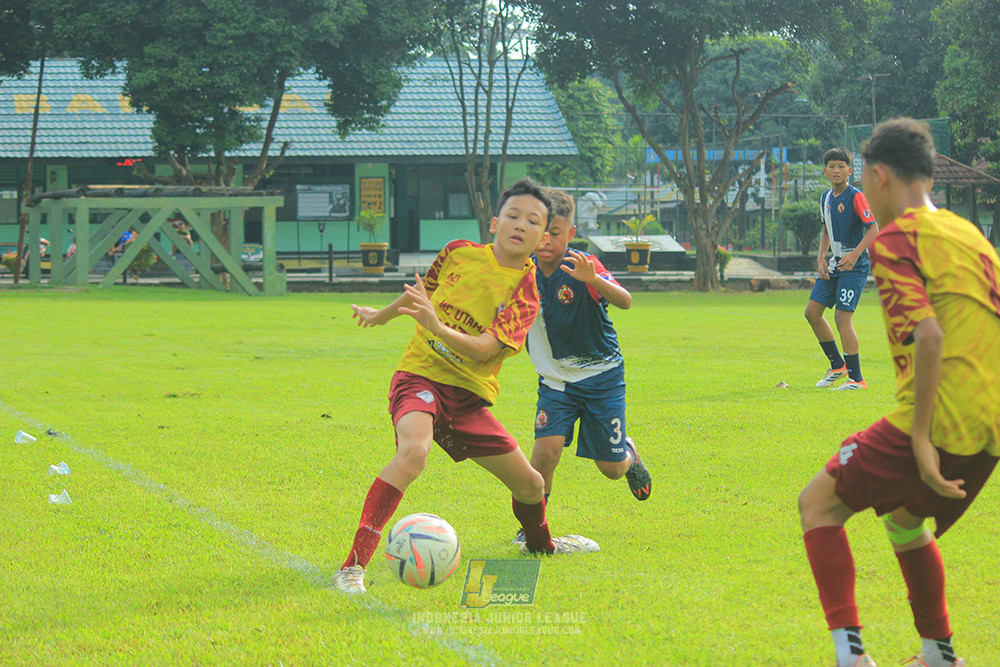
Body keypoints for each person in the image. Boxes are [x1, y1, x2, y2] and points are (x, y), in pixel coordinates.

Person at [332, 178, 599, 595]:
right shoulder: (457, 252)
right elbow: (422, 296)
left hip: (467, 399)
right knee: (414, 451)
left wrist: (436, 325)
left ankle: (542, 546)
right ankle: (351, 568)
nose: (519, 225)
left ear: (544, 236)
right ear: (494, 222)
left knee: (530, 485)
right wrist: (382, 315)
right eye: (512, 215)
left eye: (532, 221)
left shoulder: (528, 293)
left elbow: (483, 350)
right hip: (420, 376)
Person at [798, 118, 999, 667]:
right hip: (991, 424)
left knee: (817, 505)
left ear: (880, 177)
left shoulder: (897, 238)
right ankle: (938, 653)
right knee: (903, 521)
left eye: (864, 177)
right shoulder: (967, 235)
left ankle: (851, 657)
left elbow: (929, 336)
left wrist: (920, 437)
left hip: (943, 417)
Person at [512, 190, 650, 545]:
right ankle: (533, 528)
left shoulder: (584, 265)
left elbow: (626, 301)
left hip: (602, 379)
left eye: (555, 233)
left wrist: (593, 280)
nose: (545, 241)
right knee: (545, 453)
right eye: (540, 230)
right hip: (556, 383)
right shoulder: (518, 270)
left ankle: (629, 456)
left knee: (611, 469)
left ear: (570, 233)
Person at [805, 147, 879, 390]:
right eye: (832, 166)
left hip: (854, 266)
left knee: (842, 318)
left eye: (841, 166)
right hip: (835, 264)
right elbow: (826, 230)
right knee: (812, 313)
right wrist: (820, 258)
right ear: (825, 171)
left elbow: (873, 229)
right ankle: (837, 366)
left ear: (849, 170)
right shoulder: (826, 198)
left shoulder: (856, 196)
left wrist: (855, 254)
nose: (836, 170)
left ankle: (857, 379)